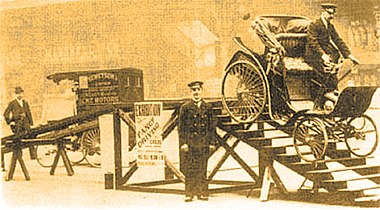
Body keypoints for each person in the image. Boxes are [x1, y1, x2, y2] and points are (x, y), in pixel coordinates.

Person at [305, 3, 360, 109]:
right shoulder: (314, 24)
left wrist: (349, 55)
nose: (332, 16)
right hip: (313, 55)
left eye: (333, 14)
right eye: (329, 13)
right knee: (325, 73)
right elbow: (313, 43)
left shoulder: (329, 25)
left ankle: (331, 98)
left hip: (325, 54)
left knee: (332, 73)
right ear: (323, 12)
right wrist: (323, 55)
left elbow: (338, 40)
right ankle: (321, 101)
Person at [178, 81, 216, 202]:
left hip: (204, 142)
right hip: (190, 143)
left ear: (202, 91)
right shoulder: (185, 107)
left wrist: (212, 142)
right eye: (193, 90)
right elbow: (181, 127)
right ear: (190, 92)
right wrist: (183, 143)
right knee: (190, 168)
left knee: (202, 167)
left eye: (198, 89)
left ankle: (202, 192)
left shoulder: (208, 107)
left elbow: (211, 127)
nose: (196, 92)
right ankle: (189, 193)